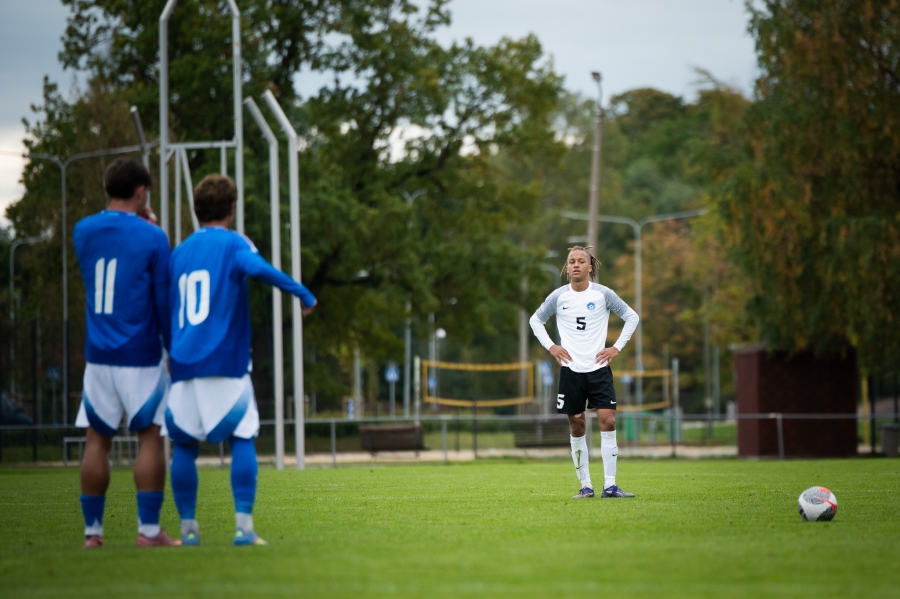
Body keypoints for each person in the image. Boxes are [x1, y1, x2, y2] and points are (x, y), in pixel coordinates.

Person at [165, 174, 317, 547]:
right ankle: (243, 528)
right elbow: (258, 269)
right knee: (242, 435)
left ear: (197, 210)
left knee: (184, 446)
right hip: (225, 361)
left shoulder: (179, 252)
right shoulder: (235, 243)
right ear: (231, 209)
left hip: (183, 362)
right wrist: (301, 292)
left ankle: (188, 531)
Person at [72, 157, 179, 548]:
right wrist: (173, 348)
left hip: (98, 355)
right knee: (149, 439)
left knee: (96, 441)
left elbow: (113, 245)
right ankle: (148, 531)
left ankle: (92, 534)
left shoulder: (82, 231)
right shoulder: (154, 237)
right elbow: (163, 299)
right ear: (141, 191)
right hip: (140, 353)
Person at [529, 246, 639, 499]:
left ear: (590, 267)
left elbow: (632, 317)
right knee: (577, 426)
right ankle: (586, 485)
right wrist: (552, 347)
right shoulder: (558, 296)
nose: (576, 265)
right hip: (571, 372)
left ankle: (610, 485)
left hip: (599, 369)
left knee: (608, 421)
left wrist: (615, 348)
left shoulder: (603, 294)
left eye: (581, 261)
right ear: (567, 268)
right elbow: (535, 320)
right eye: (571, 261)